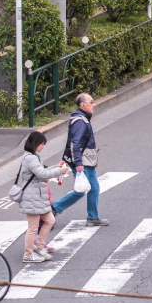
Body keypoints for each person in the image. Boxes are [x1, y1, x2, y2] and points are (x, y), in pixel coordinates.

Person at [51, 93, 108, 226]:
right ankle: (54, 208)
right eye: (91, 102)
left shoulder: (82, 119)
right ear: (83, 105)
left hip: (87, 159)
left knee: (93, 188)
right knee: (81, 189)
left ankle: (93, 217)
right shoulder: (80, 121)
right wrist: (78, 163)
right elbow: (75, 143)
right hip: (83, 160)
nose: (93, 104)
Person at [15, 130, 68, 263]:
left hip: (37, 197)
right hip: (32, 197)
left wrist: (55, 167)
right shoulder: (31, 158)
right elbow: (42, 174)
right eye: (42, 144)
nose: (43, 147)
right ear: (35, 143)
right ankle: (28, 254)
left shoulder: (33, 156)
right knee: (33, 227)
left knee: (50, 220)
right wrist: (58, 171)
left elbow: (41, 171)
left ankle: (39, 246)